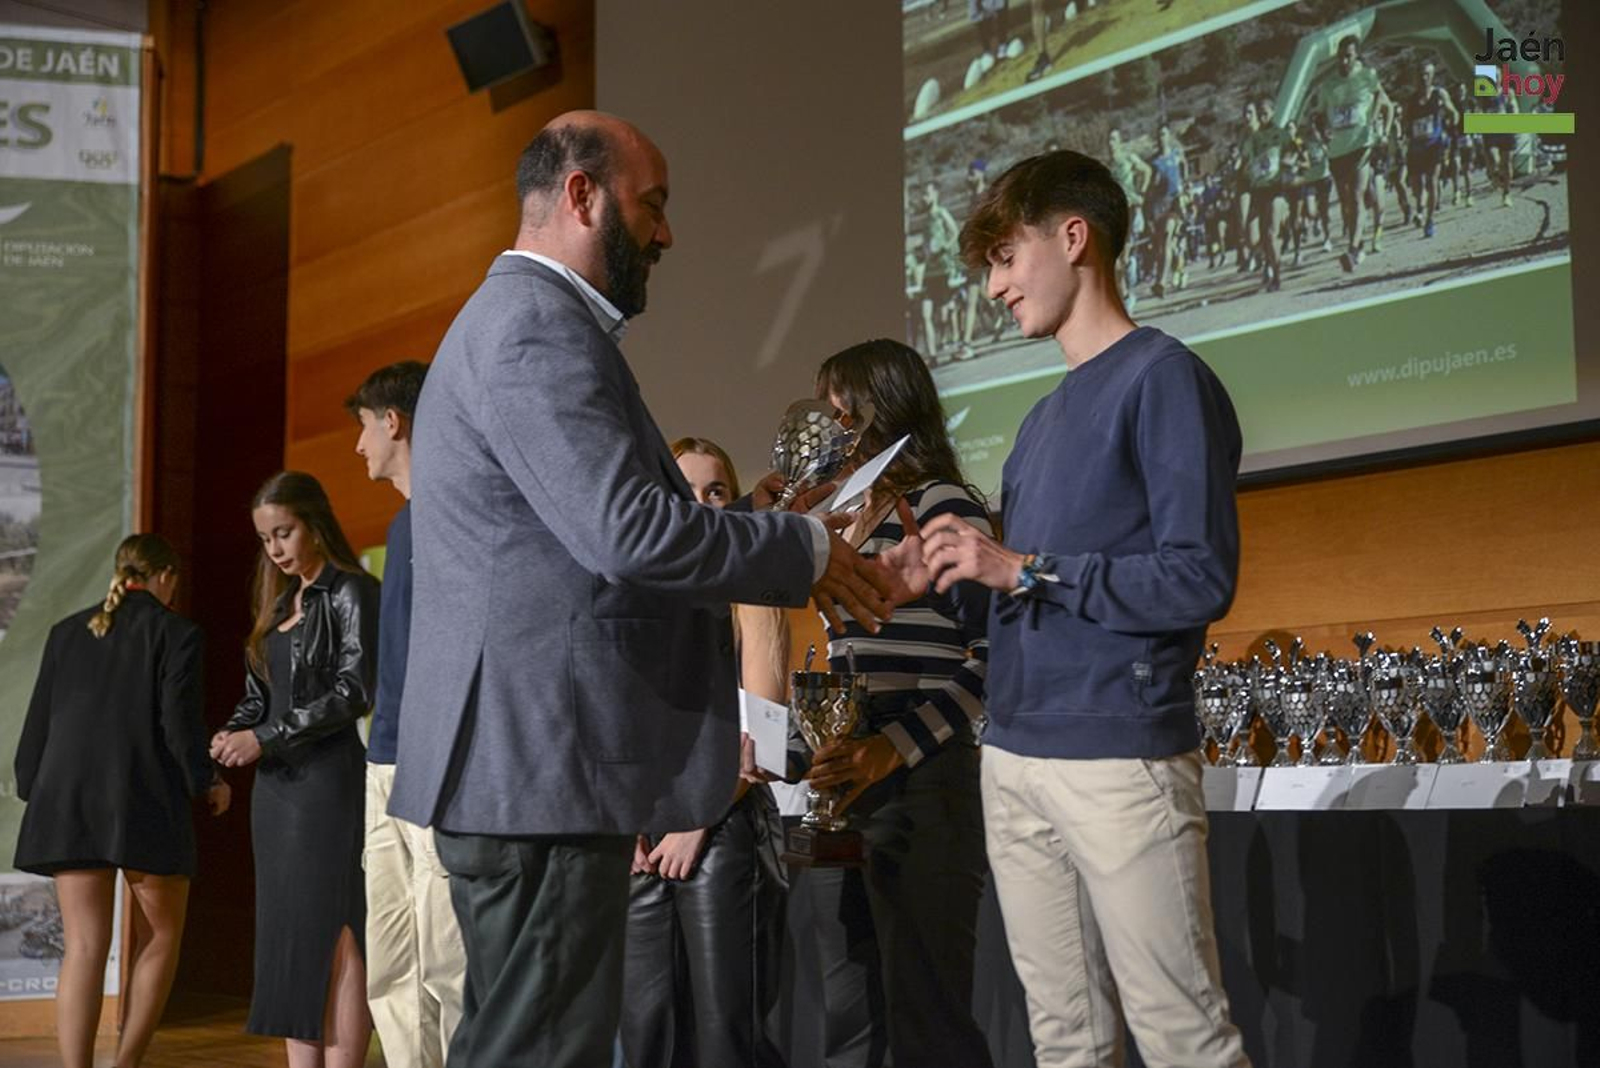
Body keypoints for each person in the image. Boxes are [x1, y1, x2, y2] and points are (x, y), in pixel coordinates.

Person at [387, 110, 895, 1068]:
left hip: (526, 769)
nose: (665, 233)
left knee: (524, 1042)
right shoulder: (535, 329)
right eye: (651, 204)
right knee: (541, 1051)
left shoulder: (520, 324)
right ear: (582, 194)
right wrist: (809, 550)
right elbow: (627, 534)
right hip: (537, 771)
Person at [916, 149, 1250, 1068]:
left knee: (1183, 1036)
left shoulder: (1163, 378)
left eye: (1004, 258)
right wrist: (941, 578)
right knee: (1065, 1040)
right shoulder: (1037, 421)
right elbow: (1015, 597)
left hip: (1119, 754)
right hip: (1013, 754)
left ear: (1074, 238)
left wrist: (1022, 569)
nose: (993, 288)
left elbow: (1197, 578)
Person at [796, 339, 995, 1068]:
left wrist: (893, 747)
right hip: (851, 770)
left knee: (928, 1017)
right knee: (850, 1018)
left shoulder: (944, 506)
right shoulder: (844, 517)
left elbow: (991, 661)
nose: (826, 427)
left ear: (879, 411)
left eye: (838, 410)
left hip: (926, 775)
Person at [13, 534, 229, 1068]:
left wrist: (34, 787)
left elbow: (36, 728)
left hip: (68, 801)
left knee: (83, 948)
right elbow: (179, 727)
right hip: (143, 798)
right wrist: (207, 781)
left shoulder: (67, 632)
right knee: (159, 937)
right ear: (167, 578)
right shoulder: (177, 632)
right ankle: (127, 1063)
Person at [621, 437, 792, 1068]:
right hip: (640, 832)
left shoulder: (754, 586)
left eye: (715, 491)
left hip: (722, 824)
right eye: (683, 492)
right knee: (647, 1036)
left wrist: (699, 817)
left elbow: (767, 741)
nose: (701, 505)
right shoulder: (638, 594)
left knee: (725, 1037)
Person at [212, 470, 379, 1068]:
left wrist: (265, 737)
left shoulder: (352, 590)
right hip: (277, 793)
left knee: (335, 930)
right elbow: (261, 697)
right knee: (288, 937)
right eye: (265, 538)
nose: (275, 549)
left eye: (283, 533)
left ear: (314, 523)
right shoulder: (279, 602)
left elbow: (352, 691)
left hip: (327, 785)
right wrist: (234, 733)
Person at [345, 360, 466, 1068]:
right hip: (383, 763)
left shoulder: (455, 514)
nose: (360, 447)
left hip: (435, 767)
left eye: (363, 428)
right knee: (390, 959)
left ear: (394, 422)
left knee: (445, 956)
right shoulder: (401, 524)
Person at [1306, 34, 1391, 272]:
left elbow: (1382, 99)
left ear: (1356, 56)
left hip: (1361, 145)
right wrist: (1322, 135)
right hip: (1337, 151)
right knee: (1346, 203)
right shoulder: (1328, 85)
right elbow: (1317, 115)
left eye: (1348, 56)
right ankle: (1360, 243)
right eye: (1340, 57)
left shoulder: (1367, 76)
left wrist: (1374, 123)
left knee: (1356, 195)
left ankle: (1352, 250)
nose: (1344, 61)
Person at [1404, 60, 1459, 239]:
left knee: (1432, 181)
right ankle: (1420, 207)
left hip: (1434, 144)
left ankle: (1429, 220)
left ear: (1432, 76)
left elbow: (1453, 112)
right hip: (1416, 147)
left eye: (1427, 74)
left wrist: (1450, 124)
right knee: (1417, 185)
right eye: (1421, 74)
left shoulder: (1439, 93)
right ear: (1416, 76)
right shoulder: (1411, 100)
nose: (1424, 78)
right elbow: (1405, 121)